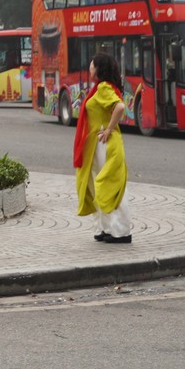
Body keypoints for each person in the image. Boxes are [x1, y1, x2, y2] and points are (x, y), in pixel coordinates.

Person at [74, 53, 132, 244]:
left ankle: (121, 231)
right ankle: (106, 228)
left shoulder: (104, 88)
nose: (89, 68)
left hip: (105, 144)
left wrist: (108, 129)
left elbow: (120, 107)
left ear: (99, 69)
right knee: (96, 184)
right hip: (96, 145)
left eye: (92, 66)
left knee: (110, 185)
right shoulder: (99, 88)